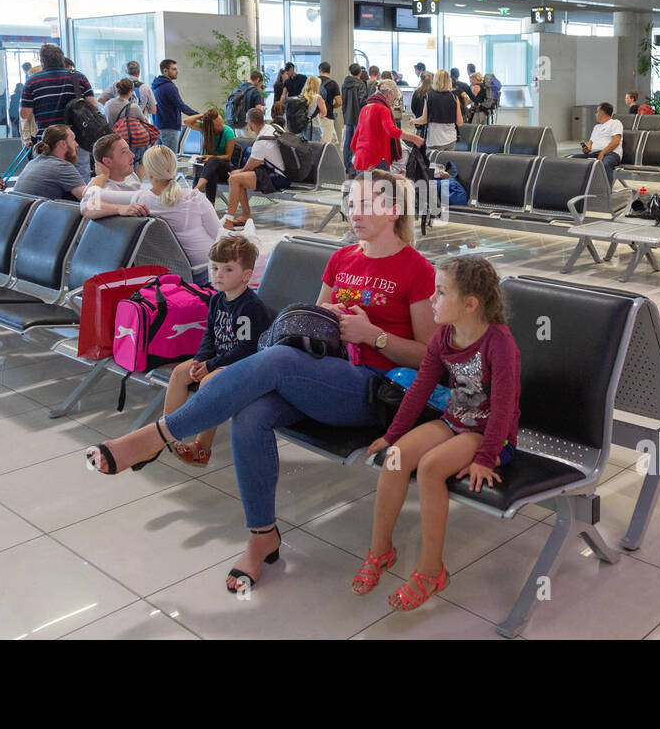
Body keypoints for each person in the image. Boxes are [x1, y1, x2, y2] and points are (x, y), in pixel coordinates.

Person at [87, 171, 437, 596]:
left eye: (367, 205)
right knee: (251, 413)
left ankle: (157, 436)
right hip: (319, 376)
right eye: (352, 202)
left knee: (278, 360)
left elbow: (429, 358)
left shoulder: (416, 269)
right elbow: (319, 324)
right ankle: (261, 537)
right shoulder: (342, 259)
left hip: (372, 390)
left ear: (394, 210)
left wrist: (374, 336)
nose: (354, 212)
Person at [355, 256, 520, 611]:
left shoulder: (499, 344)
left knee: (430, 468)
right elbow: (420, 389)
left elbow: (504, 408)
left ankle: (432, 571)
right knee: (396, 457)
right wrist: (393, 435)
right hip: (455, 421)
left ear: (470, 304)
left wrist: (485, 457)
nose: (432, 300)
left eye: (441, 292)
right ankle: (381, 551)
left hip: (492, 435)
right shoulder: (444, 336)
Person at [164, 233, 272, 466]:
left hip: (245, 364)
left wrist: (210, 365)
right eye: (214, 268)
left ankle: (202, 448)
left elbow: (247, 348)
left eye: (227, 269)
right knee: (180, 373)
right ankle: (167, 434)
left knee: (209, 382)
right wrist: (200, 359)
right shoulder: (216, 300)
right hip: (219, 358)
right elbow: (210, 335)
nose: (218, 275)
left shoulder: (249, 307)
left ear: (246, 275)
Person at [83, 144, 223, 285]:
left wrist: (102, 176)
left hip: (164, 277)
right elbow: (219, 237)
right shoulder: (194, 198)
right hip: (205, 273)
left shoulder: (140, 200)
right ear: (174, 169)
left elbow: (89, 198)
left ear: (148, 173)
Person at [221, 107, 289, 229]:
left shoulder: (261, 141)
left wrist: (238, 172)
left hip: (278, 178)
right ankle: (246, 215)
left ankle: (228, 220)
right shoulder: (273, 128)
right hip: (285, 172)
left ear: (250, 123)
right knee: (237, 178)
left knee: (234, 179)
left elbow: (250, 166)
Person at [20, 43, 96, 141]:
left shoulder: (32, 82)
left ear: (42, 61)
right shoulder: (79, 77)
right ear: (61, 59)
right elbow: (94, 107)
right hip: (76, 139)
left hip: (47, 139)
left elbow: (24, 114)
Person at [353, 81, 423, 172]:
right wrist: (414, 138)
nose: (393, 103)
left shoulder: (365, 108)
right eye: (394, 99)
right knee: (381, 186)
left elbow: (355, 138)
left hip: (361, 157)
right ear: (389, 93)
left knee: (364, 186)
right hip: (377, 158)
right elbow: (392, 131)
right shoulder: (383, 109)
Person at [13, 124, 89, 200]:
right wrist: (99, 179)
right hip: (35, 210)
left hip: (19, 210)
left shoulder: (33, 162)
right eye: (73, 140)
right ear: (62, 144)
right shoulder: (62, 167)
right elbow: (90, 200)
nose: (76, 144)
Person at [182, 107, 237, 206]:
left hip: (225, 168)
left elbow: (228, 156)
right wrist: (203, 115)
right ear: (210, 127)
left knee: (213, 161)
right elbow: (186, 121)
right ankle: (210, 205)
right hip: (210, 169)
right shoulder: (205, 129)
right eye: (218, 124)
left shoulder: (228, 131)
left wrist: (211, 157)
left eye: (221, 122)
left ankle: (196, 190)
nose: (221, 125)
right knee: (209, 170)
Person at [104, 78, 153, 169]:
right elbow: (145, 123)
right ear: (131, 91)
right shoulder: (133, 107)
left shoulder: (108, 104)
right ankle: (137, 180)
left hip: (112, 141)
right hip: (128, 142)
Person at [152, 58, 198, 154]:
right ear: (165, 71)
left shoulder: (155, 86)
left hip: (157, 127)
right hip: (169, 128)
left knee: (159, 160)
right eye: (173, 69)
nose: (177, 72)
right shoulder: (169, 87)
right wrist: (200, 115)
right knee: (170, 159)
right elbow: (181, 106)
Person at [413, 70, 463, 153]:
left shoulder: (429, 96)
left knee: (434, 165)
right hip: (451, 139)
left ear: (435, 80)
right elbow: (460, 122)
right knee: (447, 165)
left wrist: (413, 121)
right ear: (448, 80)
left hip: (435, 139)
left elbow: (424, 120)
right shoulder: (454, 97)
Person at [570, 101, 622, 180]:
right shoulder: (596, 127)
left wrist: (603, 152)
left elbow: (616, 141)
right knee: (574, 159)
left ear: (602, 112)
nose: (596, 114)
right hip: (595, 154)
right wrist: (586, 149)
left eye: (597, 112)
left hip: (611, 153)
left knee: (605, 164)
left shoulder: (615, 123)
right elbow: (590, 144)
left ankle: (605, 190)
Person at [340, 63, 371, 173]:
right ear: (360, 72)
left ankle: (347, 165)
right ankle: (355, 164)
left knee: (348, 141)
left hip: (348, 116)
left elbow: (343, 101)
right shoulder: (361, 84)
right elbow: (362, 100)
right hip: (358, 116)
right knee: (357, 141)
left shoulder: (345, 84)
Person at [317, 61, 340, 145]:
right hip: (327, 116)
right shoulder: (333, 84)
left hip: (314, 116)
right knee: (326, 143)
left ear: (320, 70)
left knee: (314, 142)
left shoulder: (313, 82)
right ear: (329, 71)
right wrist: (332, 107)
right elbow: (339, 102)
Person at [299, 75, 327, 141]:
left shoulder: (301, 96)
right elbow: (324, 113)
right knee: (315, 149)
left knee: (303, 148)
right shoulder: (317, 97)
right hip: (314, 127)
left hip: (302, 127)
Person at [409, 71, 432, 140]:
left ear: (421, 80)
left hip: (419, 123)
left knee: (419, 146)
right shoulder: (433, 93)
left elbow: (413, 108)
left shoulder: (417, 92)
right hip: (431, 124)